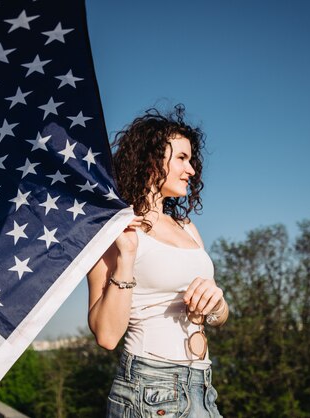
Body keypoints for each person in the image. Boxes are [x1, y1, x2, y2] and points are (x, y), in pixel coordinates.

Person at [87, 105, 229, 417]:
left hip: (202, 385)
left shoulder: (188, 228)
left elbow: (219, 314)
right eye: (181, 158)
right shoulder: (114, 229)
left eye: (191, 160)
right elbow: (107, 336)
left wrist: (216, 305)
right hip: (149, 387)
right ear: (151, 160)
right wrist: (126, 257)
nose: (191, 169)